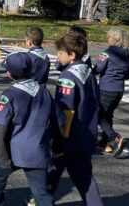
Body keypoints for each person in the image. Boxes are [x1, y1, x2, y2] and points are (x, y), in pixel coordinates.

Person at [0, 52, 60, 206]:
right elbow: (55, 120)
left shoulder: (10, 95)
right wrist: (54, 145)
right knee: (41, 193)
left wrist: (3, 158)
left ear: (10, 73)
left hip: (14, 150)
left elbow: (2, 129)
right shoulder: (44, 92)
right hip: (37, 151)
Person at [46, 33, 103, 206]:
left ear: (72, 55)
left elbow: (66, 112)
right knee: (84, 178)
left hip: (69, 137)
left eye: (60, 53)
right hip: (87, 135)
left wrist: (57, 141)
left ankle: (39, 200)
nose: (57, 56)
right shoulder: (88, 73)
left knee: (51, 171)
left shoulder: (67, 78)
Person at [94, 28, 129, 157]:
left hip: (106, 89)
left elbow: (99, 69)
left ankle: (114, 138)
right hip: (119, 90)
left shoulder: (107, 53)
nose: (107, 39)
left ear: (114, 39)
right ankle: (105, 144)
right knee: (108, 115)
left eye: (109, 37)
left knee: (98, 115)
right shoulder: (126, 55)